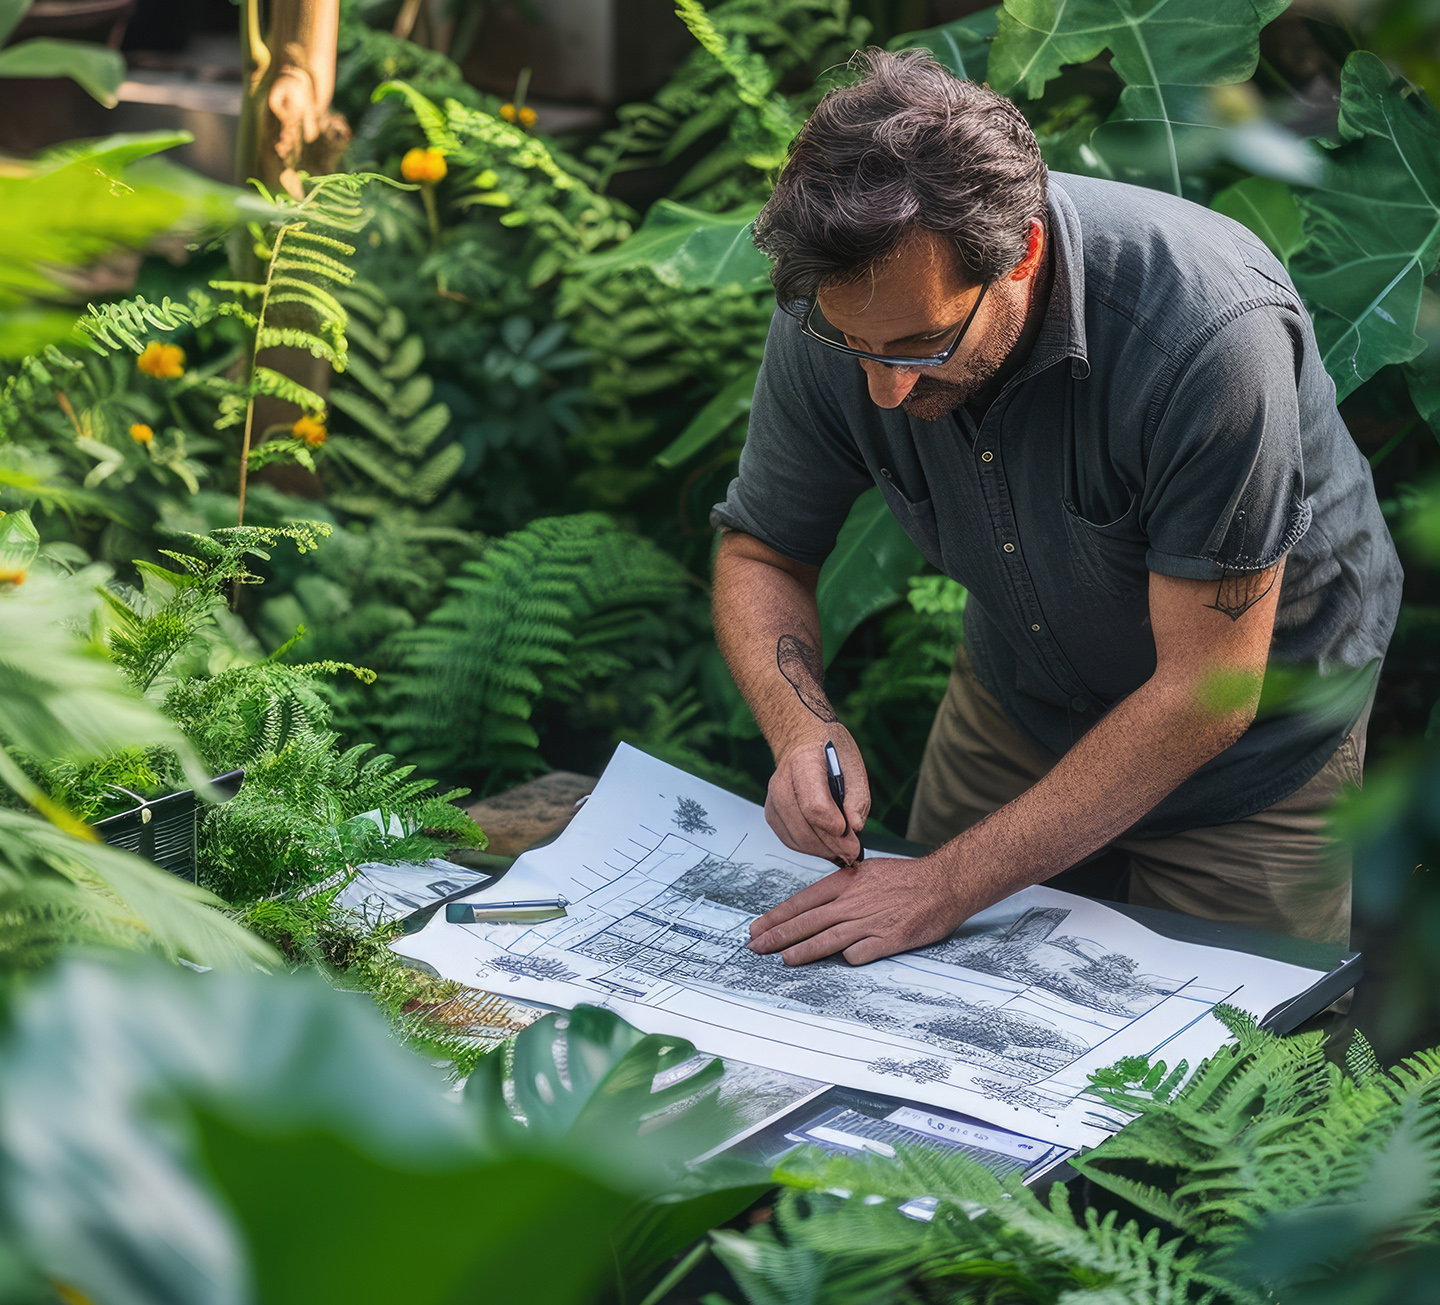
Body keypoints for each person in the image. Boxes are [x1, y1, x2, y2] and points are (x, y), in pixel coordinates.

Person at [710, 48, 1402, 966]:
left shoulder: (1206, 337)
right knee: (921, 1002)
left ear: (1022, 254)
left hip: (1256, 751)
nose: (880, 389)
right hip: (1020, 698)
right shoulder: (851, 307)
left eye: (919, 347)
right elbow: (760, 551)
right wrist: (802, 724)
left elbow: (1209, 691)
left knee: (1240, 1078)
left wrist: (947, 883)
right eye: (856, 347)